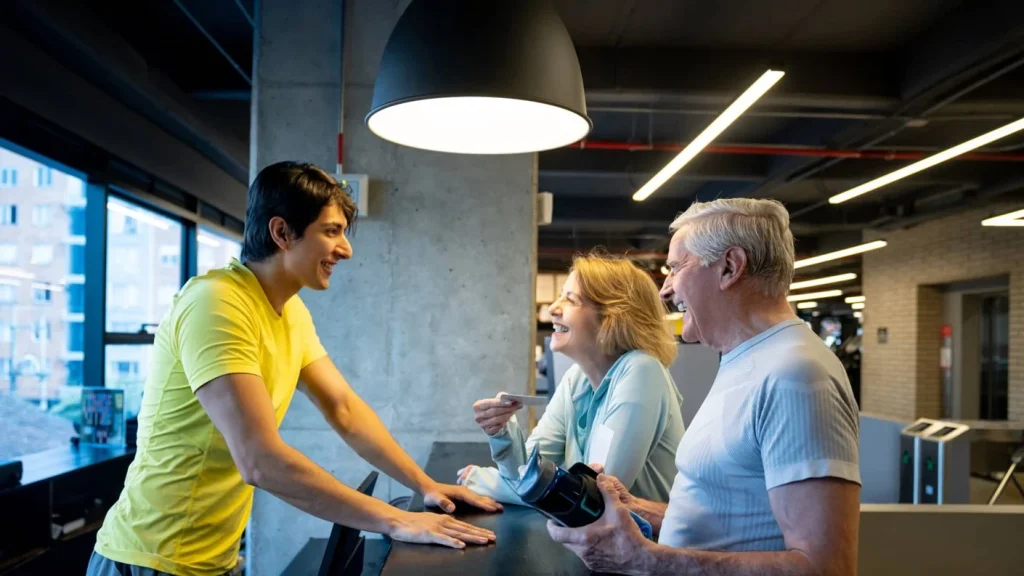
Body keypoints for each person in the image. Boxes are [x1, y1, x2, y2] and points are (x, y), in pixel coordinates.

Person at [89, 162, 499, 576]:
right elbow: (260, 460)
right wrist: (394, 519)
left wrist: (423, 485)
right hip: (146, 558)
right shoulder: (217, 303)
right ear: (282, 232)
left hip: (212, 560)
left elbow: (344, 408)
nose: (346, 249)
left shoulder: (291, 312)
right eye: (331, 231)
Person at [547, 199, 861, 576]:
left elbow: (827, 567)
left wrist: (646, 559)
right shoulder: (747, 360)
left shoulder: (796, 374)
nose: (664, 290)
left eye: (675, 268)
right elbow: (733, 520)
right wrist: (640, 510)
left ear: (729, 267)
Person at [459, 254, 685, 504]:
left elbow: (595, 499)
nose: (553, 308)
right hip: (600, 541)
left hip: (646, 541)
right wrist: (502, 432)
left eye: (570, 299)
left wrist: (481, 482)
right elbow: (527, 474)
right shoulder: (576, 380)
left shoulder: (642, 370)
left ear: (612, 317)